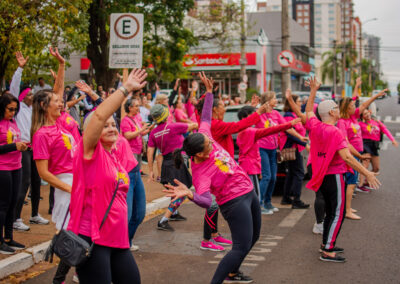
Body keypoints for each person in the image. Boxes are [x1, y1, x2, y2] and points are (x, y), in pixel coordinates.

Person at [166, 72, 260, 283]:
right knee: (240, 246)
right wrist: (190, 195)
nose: (212, 145)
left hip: (248, 192)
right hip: (234, 202)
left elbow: (206, 117)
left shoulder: (205, 135)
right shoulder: (201, 174)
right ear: (198, 154)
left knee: (254, 238)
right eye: (209, 147)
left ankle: (233, 272)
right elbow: (207, 201)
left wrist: (208, 93)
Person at [67, 68, 147, 284]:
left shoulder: (115, 154)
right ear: (93, 131)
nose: (111, 127)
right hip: (93, 238)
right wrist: (126, 88)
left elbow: (107, 115)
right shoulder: (90, 153)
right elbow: (101, 114)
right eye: (106, 126)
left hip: (118, 239)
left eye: (114, 125)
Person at [304, 76, 380, 263]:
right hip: (334, 176)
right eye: (336, 108)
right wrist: (367, 172)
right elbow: (347, 157)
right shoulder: (335, 131)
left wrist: (313, 91)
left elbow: (308, 111)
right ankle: (328, 250)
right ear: (331, 112)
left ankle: (326, 243)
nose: (339, 110)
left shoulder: (315, 126)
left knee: (331, 212)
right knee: (337, 212)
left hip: (321, 175)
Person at [31, 47, 78, 284]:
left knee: (78, 228)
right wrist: (69, 188)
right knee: (67, 232)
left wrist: (61, 65)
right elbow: (43, 173)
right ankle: (59, 279)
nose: (61, 104)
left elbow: (58, 92)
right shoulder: (41, 135)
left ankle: (78, 270)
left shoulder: (59, 122)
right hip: (65, 184)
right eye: (55, 102)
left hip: (77, 179)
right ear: (43, 106)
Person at [9, 52, 49, 231]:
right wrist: (20, 68)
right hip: (22, 148)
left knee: (35, 180)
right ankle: (16, 218)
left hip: (35, 148)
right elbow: (13, 89)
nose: (32, 96)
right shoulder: (18, 109)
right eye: (29, 94)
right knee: (24, 182)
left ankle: (34, 214)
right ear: (23, 96)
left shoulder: (34, 111)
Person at [337, 78, 386, 220]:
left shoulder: (353, 118)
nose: (355, 106)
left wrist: (375, 95)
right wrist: (360, 155)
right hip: (351, 156)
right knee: (351, 183)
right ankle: (346, 211)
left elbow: (364, 104)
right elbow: (345, 143)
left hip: (357, 155)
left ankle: (348, 207)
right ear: (347, 108)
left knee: (351, 183)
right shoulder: (342, 122)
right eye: (352, 105)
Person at [147, 104, 198, 231]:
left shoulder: (153, 133)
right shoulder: (173, 126)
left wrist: (150, 171)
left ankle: (174, 214)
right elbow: (194, 125)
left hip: (166, 163)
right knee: (181, 191)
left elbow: (150, 152)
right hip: (176, 163)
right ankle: (164, 220)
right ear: (165, 114)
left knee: (175, 189)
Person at [256, 91, 307, 214]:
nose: (276, 100)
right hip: (262, 148)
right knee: (266, 176)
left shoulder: (276, 114)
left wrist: (300, 137)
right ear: (268, 100)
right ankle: (259, 204)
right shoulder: (259, 114)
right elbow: (249, 122)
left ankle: (268, 203)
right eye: (274, 98)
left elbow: (287, 127)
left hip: (273, 149)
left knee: (273, 177)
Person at [237, 105, 299, 197]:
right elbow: (270, 130)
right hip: (250, 167)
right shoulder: (250, 131)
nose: (255, 118)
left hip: (247, 165)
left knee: (250, 196)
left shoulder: (241, 130)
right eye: (252, 116)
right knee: (255, 197)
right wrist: (289, 124)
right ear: (244, 118)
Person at [0, 93, 28, 254]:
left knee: (13, 203)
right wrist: (14, 147)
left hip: (16, 166)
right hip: (3, 168)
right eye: (10, 109)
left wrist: (22, 145)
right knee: (3, 205)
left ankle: (9, 237)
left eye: (15, 110)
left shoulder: (12, 122)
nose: (13, 112)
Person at [120, 98, 149, 249]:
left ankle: (127, 241)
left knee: (139, 213)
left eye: (139, 105)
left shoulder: (136, 118)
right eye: (136, 105)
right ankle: (123, 243)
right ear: (129, 107)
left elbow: (138, 133)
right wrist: (140, 131)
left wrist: (145, 129)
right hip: (128, 165)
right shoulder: (125, 120)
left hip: (136, 163)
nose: (139, 108)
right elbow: (128, 136)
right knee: (129, 212)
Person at [280, 90, 310, 209]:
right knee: (299, 173)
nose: (300, 103)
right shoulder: (288, 116)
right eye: (298, 101)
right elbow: (290, 134)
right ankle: (296, 200)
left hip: (295, 147)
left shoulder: (294, 115)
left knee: (292, 173)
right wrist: (303, 141)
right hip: (291, 148)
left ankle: (286, 197)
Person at [358, 109, 398, 190]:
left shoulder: (376, 121)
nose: (367, 115)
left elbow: (385, 130)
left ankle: (366, 181)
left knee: (376, 168)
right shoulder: (360, 124)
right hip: (365, 144)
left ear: (370, 112)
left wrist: (393, 140)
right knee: (365, 164)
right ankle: (360, 185)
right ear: (362, 117)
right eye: (364, 114)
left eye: (367, 113)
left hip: (375, 145)